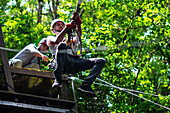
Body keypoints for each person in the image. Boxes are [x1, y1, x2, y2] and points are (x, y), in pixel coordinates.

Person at [47, 12, 105, 96]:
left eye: (62, 25)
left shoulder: (69, 39)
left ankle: (86, 85)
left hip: (74, 62)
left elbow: (78, 37)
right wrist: (66, 28)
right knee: (62, 45)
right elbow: (57, 41)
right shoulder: (50, 38)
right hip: (62, 63)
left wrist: (78, 24)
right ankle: (58, 78)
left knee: (100, 61)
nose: (61, 26)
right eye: (58, 25)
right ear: (53, 29)